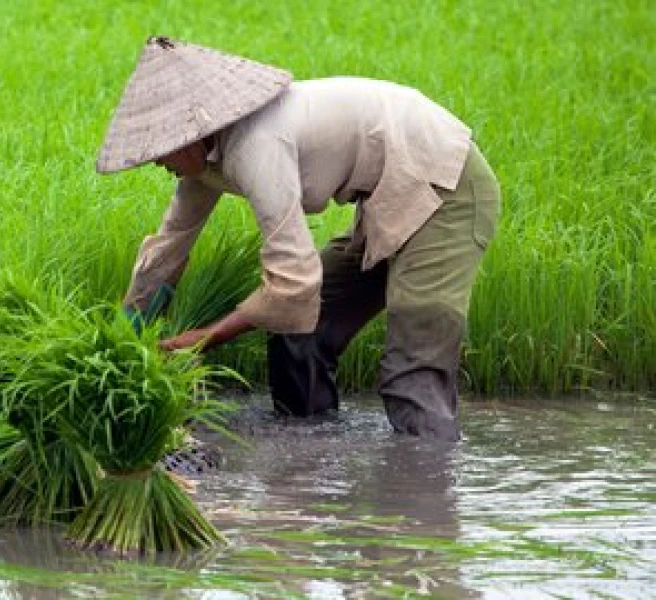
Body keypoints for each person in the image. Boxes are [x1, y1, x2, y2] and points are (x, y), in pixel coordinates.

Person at [102, 37, 500, 441]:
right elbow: (169, 249)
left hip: (446, 187)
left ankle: (426, 484)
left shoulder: (257, 146)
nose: (155, 161)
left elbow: (294, 281)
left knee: (412, 371)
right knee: (302, 331)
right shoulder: (203, 162)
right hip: (390, 196)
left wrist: (206, 338)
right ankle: (310, 459)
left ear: (189, 134)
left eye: (158, 150)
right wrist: (124, 337)